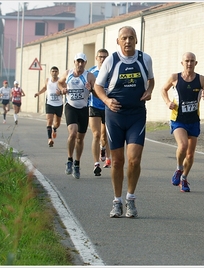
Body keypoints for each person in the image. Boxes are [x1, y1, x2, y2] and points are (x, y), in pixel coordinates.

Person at [94, 26, 155, 218]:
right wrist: (106, 100)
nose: (127, 41)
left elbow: (151, 80)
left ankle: (130, 199)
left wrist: (149, 91)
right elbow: (98, 86)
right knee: (118, 161)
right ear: (118, 41)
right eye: (124, 38)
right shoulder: (111, 60)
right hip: (115, 117)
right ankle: (117, 201)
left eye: (131, 38)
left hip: (136, 115)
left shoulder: (145, 59)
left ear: (136, 40)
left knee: (134, 159)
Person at [161, 52, 204, 193]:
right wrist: (167, 102)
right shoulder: (175, 78)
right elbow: (163, 90)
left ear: (196, 63)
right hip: (178, 119)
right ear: (182, 63)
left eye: (192, 61)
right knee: (183, 145)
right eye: (187, 61)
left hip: (193, 120)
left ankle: (184, 178)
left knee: (190, 155)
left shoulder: (201, 80)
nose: (189, 63)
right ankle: (179, 169)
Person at [58, 53, 96, 179]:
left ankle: (77, 163)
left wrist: (91, 89)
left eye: (82, 62)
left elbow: (97, 92)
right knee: (73, 133)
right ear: (74, 62)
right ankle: (69, 159)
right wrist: (63, 89)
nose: (80, 64)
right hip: (71, 107)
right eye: (78, 62)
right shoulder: (68, 73)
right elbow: (60, 83)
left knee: (80, 139)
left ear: (85, 63)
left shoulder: (89, 75)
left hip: (84, 109)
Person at [88, 48, 111, 176]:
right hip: (94, 106)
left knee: (105, 135)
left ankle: (104, 149)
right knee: (96, 135)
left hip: (107, 106)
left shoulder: (111, 71)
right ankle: (96, 164)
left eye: (105, 57)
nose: (102, 59)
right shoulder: (91, 72)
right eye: (100, 57)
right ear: (96, 58)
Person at [34, 66, 63, 147]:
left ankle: (54, 128)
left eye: (56, 71)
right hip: (50, 103)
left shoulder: (60, 81)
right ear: (50, 72)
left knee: (57, 123)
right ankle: (49, 139)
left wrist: (60, 93)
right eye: (53, 71)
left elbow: (65, 90)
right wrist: (38, 93)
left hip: (59, 104)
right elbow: (44, 88)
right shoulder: (47, 80)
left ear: (58, 72)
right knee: (49, 121)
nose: (54, 73)